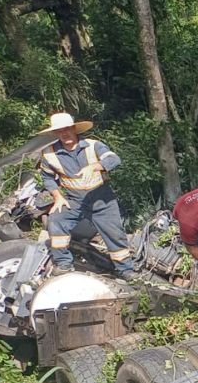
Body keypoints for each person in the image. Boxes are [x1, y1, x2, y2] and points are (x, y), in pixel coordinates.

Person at [37, 112, 137, 279]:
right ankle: (63, 263)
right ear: (55, 133)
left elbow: (114, 159)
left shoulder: (92, 145)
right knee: (56, 220)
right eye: (60, 130)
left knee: (115, 234)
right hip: (74, 201)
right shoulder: (49, 153)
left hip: (102, 199)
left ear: (74, 128)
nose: (65, 133)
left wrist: (96, 166)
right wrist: (57, 196)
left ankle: (125, 270)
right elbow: (47, 178)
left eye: (67, 128)